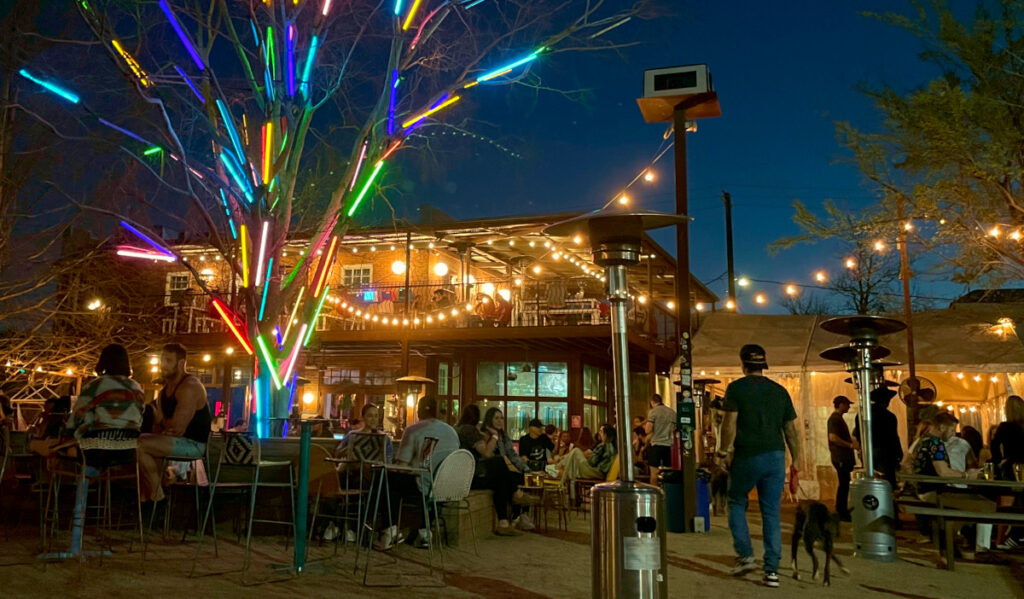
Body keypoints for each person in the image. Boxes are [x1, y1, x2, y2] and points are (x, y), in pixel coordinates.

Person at [716, 344, 800, 589]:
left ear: (743, 364)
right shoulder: (780, 391)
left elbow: (729, 424)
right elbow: (791, 432)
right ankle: (772, 570)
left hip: (747, 455)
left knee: (737, 501)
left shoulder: (736, 388)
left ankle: (745, 557)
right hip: (775, 456)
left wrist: (723, 451)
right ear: (763, 365)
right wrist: (796, 460)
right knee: (771, 512)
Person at [378, 395, 459, 550]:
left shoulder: (414, 430)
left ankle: (390, 530)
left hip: (424, 484)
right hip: (448, 486)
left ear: (418, 411)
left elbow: (402, 464)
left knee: (388, 479)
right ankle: (424, 533)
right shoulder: (452, 432)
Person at [137, 343, 211, 503]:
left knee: (139, 444)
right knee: (142, 447)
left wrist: (162, 422)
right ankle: (150, 500)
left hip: (194, 444)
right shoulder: (164, 391)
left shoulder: (190, 387)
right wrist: (163, 426)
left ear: (181, 363)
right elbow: (160, 427)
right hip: (175, 441)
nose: (163, 365)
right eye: (162, 360)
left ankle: (158, 499)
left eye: (168, 361)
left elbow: (176, 427)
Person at [457, 405, 531, 535]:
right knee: (501, 466)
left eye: (501, 418)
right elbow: (487, 454)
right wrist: (494, 437)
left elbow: (512, 454)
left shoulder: (503, 435)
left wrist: (526, 469)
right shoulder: (478, 432)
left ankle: (506, 521)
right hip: (478, 473)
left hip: (490, 473)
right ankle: (517, 504)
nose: (499, 421)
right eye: (496, 418)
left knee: (506, 480)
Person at [64, 344, 145, 443]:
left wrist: (66, 432)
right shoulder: (136, 388)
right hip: (129, 442)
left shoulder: (95, 386)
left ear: (103, 362)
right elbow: (140, 414)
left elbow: (77, 415)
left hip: (96, 442)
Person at [853, 386, 904, 495]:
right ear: (886, 401)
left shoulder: (861, 415)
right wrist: (899, 455)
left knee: (870, 480)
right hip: (885, 453)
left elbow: (858, 435)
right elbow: (893, 437)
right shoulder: (889, 416)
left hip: (867, 452)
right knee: (886, 482)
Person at [991, 396, 1024, 549]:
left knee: (1006, 506)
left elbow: (994, 445)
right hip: (1020, 466)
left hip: (1011, 469)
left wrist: (1000, 461)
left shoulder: (1005, 427)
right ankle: (1015, 537)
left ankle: (1003, 539)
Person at [559, 423, 617, 497]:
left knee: (576, 451)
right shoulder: (611, 446)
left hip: (596, 472)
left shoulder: (604, 445)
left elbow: (592, 462)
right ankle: (564, 481)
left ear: (605, 434)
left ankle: (562, 478)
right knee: (573, 461)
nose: (599, 433)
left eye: (601, 431)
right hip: (599, 472)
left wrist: (590, 456)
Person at [827, 395, 856, 521]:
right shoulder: (835, 419)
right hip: (840, 457)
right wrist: (849, 445)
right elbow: (832, 437)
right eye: (847, 404)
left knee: (844, 484)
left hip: (842, 457)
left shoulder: (838, 419)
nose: (849, 407)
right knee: (843, 485)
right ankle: (841, 511)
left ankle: (842, 509)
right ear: (840, 405)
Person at [645, 394, 675, 485]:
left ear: (652, 402)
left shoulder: (653, 412)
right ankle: (667, 494)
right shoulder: (672, 412)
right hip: (669, 445)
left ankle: (656, 495)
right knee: (668, 473)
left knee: (654, 473)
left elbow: (648, 430)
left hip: (656, 445)